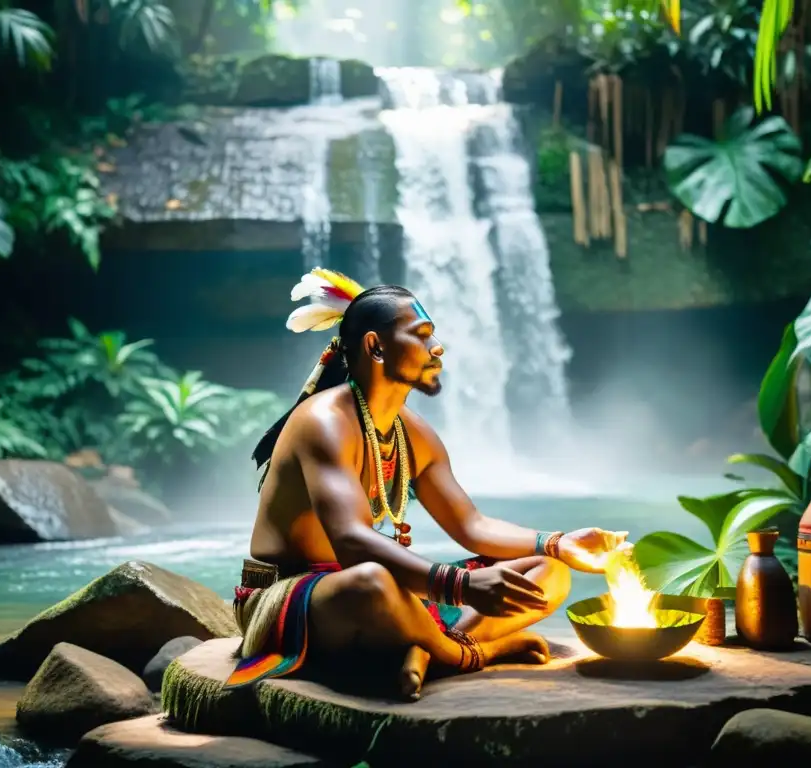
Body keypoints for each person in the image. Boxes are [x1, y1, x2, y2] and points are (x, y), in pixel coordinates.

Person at [227, 268, 626, 700]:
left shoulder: (411, 432)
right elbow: (351, 541)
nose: (437, 347)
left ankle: (425, 651)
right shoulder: (324, 422)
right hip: (290, 598)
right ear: (375, 347)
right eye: (422, 334)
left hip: (384, 591)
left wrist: (557, 543)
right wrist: (461, 586)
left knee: (548, 573)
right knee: (372, 584)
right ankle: (471, 654)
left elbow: (471, 525)